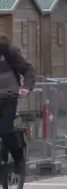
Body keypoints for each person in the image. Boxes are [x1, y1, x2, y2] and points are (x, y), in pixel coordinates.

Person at [0, 34, 35, 173]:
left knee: (5, 130)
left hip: (9, 96)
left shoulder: (7, 50)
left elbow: (28, 70)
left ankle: (18, 159)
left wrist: (26, 87)